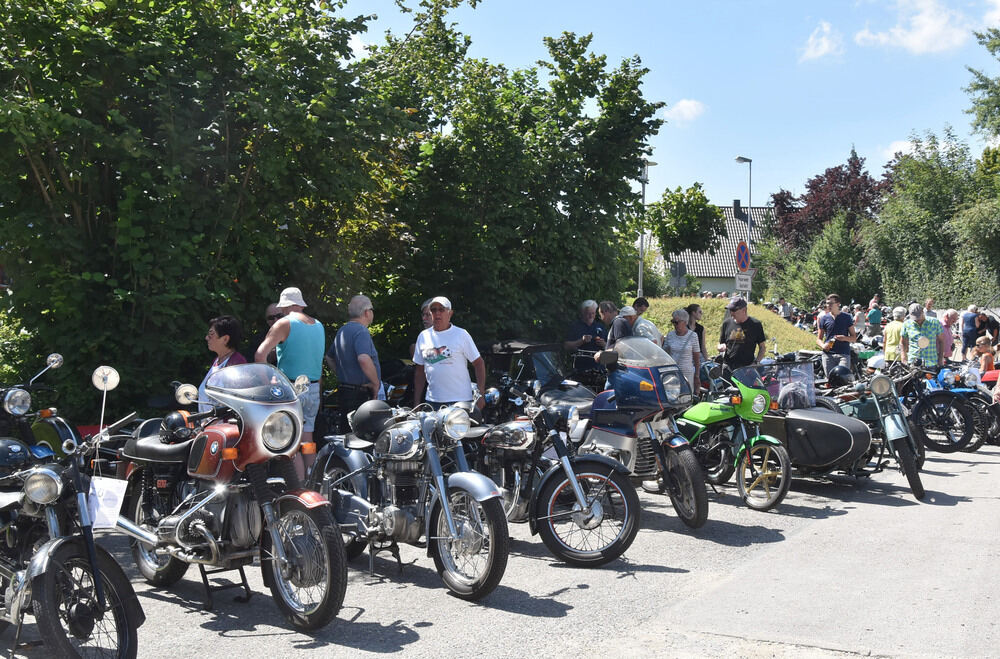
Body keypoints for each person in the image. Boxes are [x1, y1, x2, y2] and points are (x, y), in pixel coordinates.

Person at [256, 286, 325, 478]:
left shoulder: (284, 324)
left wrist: (268, 385)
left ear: (286, 306)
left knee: (291, 442)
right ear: (300, 305)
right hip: (312, 388)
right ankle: (313, 483)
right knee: (308, 439)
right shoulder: (318, 325)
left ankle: (299, 489)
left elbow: (260, 355)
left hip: (290, 388)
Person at [412, 296, 486, 411]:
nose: (437, 313)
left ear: (450, 313)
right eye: (433, 310)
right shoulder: (423, 336)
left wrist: (480, 394)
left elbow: (479, 363)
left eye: (441, 309)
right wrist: (417, 402)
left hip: (460, 401)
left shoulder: (461, 334)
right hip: (432, 401)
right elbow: (419, 372)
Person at [326, 295, 383, 431]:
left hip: (345, 391)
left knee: (348, 435)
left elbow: (329, 357)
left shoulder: (342, 330)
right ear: (366, 312)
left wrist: (342, 373)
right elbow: (363, 358)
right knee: (363, 437)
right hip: (360, 394)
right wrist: (375, 383)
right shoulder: (361, 331)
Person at [199, 315, 248, 413]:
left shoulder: (237, 364)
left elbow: (236, 404)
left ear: (225, 339)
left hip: (224, 426)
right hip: (209, 425)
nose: (206, 338)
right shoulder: (217, 361)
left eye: (211, 334)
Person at [717, 297, 765, 369]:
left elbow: (762, 347)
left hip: (747, 369)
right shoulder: (726, 323)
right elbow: (721, 343)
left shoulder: (755, 324)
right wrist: (720, 347)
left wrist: (756, 362)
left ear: (744, 310)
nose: (731, 313)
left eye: (734, 310)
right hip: (728, 367)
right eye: (730, 310)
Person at [816, 294, 856, 376]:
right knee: (830, 380)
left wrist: (844, 338)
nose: (828, 306)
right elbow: (818, 339)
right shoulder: (823, 318)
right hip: (828, 355)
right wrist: (823, 346)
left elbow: (854, 338)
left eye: (831, 303)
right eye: (827, 303)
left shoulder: (847, 317)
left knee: (843, 379)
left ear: (838, 304)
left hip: (843, 354)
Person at [663, 309, 700, 394]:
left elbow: (696, 359)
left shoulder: (693, 336)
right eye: (673, 322)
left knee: (686, 397)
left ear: (685, 322)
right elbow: (664, 354)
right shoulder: (670, 335)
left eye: (676, 322)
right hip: (672, 373)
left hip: (687, 374)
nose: (674, 325)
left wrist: (697, 376)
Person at [564, 300, 607, 371]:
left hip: (599, 368)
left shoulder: (600, 326)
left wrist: (604, 344)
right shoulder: (575, 326)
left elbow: (611, 347)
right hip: (581, 368)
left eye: (593, 313)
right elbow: (566, 346)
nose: (591, 316)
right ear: (582, 313)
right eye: (588, 313)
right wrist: (581, 341)